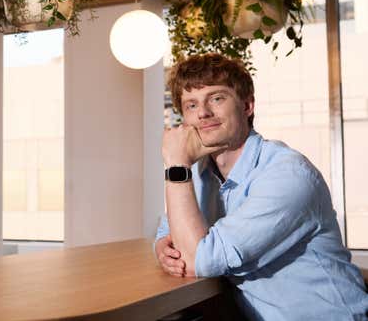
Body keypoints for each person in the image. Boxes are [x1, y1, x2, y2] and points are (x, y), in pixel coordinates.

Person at [155, 53, 367, 320]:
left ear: (247, 106)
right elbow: (168, 231)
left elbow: (200, 261)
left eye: (217, 98)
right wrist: (163, 247)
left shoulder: (287, 174)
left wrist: (175, 163)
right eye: (191, 105)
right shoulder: (198, 173)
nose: (204, 113)